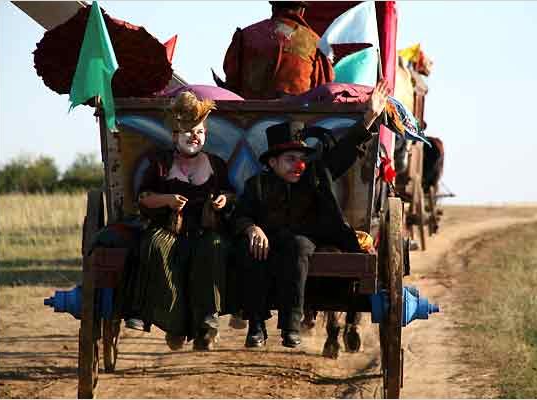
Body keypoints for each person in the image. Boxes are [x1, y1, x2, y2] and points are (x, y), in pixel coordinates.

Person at [233, 80, 390, 348]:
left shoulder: (315, 175)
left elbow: (344, 151)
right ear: (272, 163)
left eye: (301, 158)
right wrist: (252, 228)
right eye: (290, 159)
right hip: (268, 240)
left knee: (298, 246)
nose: (298, 165)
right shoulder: (257, 185)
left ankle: (291, 327)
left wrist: (369, 117)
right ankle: (256, 326)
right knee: (254, 250)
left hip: (305, 239)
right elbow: (241, 215)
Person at [130, 92, 234, 351]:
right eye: (187, 131)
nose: (194, 136)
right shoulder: (161, 163)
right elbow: (143, 198)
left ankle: (208, 323)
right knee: (154, 244)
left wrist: (223, 200)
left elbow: (230, 193)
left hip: (205, 230)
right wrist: (166, 200)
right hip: (170, 230)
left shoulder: (216, 164)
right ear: (175, 136)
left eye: (199, 131)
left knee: (215, 246)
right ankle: (173, 324)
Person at [221, 1, 334, 99]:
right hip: (297, 120)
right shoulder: (315, 43)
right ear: (301, 11)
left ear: (273, 7)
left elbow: (231, 85)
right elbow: (322, 90)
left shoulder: (245, 35)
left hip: (250, 120)